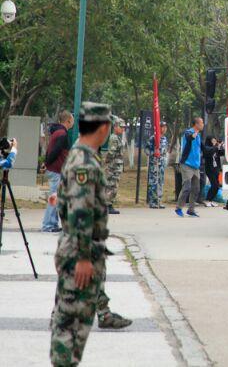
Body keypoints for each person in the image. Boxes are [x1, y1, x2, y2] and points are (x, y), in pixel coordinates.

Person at [49, 102, 132, 367]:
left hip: (73, 249)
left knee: (65, 319)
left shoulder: (78, 155)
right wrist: (84, 257)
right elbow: (82, 214)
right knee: (71, 327)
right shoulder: (85, 162)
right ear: (104, 127)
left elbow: (63, 198)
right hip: (79, 254)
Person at [42, 110, 74, 233]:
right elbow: (55, 151)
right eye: (72, 119)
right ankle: (48, 225)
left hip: (55, 169)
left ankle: (53, 224)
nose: (73, 122)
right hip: (56, 170)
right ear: (68, 120)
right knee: (54, 198)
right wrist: (47, 163)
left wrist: (46, 163)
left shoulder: (57, 132)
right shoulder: (62, 134)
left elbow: (49, 150)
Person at [176, 117, 204, 217]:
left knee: (196, 188)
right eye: (201, 123)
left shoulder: (199, 136)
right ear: (196, 124)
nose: (203, 124)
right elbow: (189, 137)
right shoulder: (188, 132)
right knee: (187, 187)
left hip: (196, 166)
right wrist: (193, 135)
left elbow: (203, 148)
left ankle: (191, 210)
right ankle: (178, 208)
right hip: (186, 164)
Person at [103, 116, 125, 215]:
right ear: (115, 127)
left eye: (124, 127)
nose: (123, 129)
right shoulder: (114, 138)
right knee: (112, 186)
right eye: (121, 127)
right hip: (113, 166)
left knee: (112, 185)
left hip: (115, 166)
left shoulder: (117, 138)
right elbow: (111, 153)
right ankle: (108, 205)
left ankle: (108, 204)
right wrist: (107, 163)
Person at [146, 121, 169, 209]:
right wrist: (153, 153)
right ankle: (152, 202)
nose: (164, 128)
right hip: (154, 165)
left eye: (165, 127)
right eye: (162, 127)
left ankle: (159, 201)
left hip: (162, 164)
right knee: (153, 183)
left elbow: (165, 150)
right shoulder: (153, 138)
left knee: (160, 182)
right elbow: (146, 150)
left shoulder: (164, 139)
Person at [203, 136, 224, 206]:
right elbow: (210, 152)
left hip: (216, 169)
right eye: (213, 140)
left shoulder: (215, 148)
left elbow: (222, 153)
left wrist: (222, 147)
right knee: (214, 185)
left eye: (215, 140)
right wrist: (216, 146)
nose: (215, 142)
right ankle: (207, 200)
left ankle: (210, 200)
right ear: (209, 141)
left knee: (217, 186)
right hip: (210, 170)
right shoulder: (206, 148)